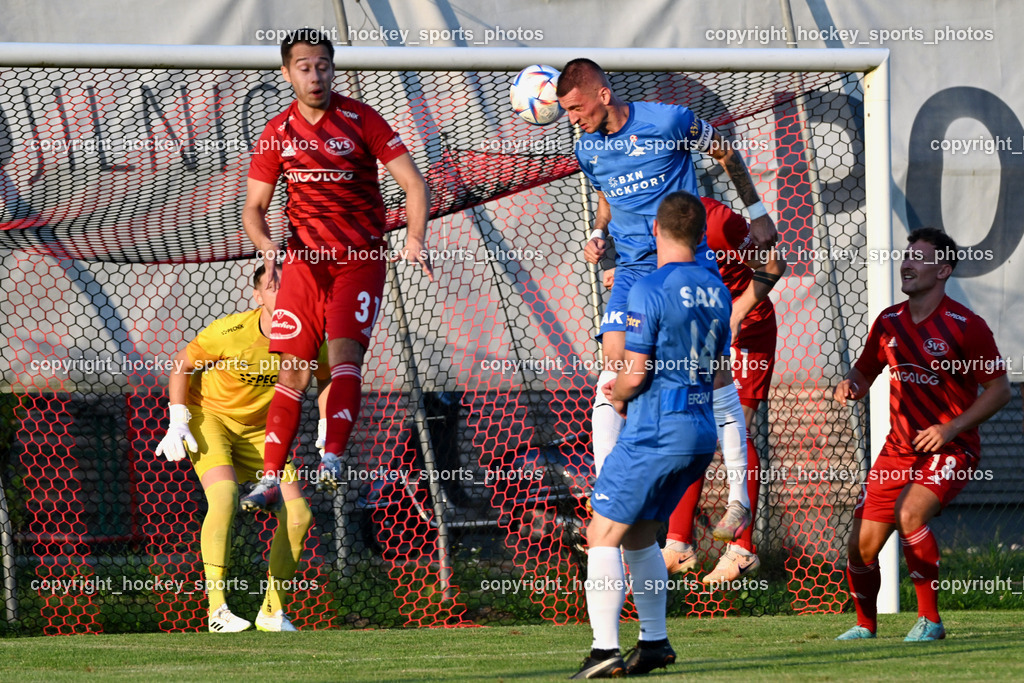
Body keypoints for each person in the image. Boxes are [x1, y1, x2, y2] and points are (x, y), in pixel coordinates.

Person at [556, 58, 776, 545]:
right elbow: (607, 194)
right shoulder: (587, 147)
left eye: (575, 107)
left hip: (684, 262)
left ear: (603, 95)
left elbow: (724, 152)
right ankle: (608, 489)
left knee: (714, 373)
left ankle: (738, 496)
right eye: (565, 110)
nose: (571, 117)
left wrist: (757, 211)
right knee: (612, 371)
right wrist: (598, 233)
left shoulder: (669, 120)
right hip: (634, 271)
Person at [241, 28, 432, 511]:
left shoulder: (361, 118)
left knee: (345, 355)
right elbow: (253, 208)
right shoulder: (276, 133)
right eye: (304, 67)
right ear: (286, 73)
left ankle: (332, 459)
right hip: (303, 262)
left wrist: (413, 238)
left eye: (323, 65)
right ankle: (269, 478)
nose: (315, 75)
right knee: (293, 371)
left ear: (333, 68)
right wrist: (267, 249)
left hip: (359, 259)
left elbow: (413, 183)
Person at [572, 191, 730, 679]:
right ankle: (655, 643)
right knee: (639, 536)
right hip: (701, 430)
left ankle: (603, 652)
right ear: (702, 235)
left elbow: (635, 374)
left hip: (656, 428)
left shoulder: (648, 286)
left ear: (655, 232)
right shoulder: (716, 287)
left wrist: (615, 394)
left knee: (600, 533)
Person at [833, 228, 1010, 642]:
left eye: (919, 258)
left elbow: (1000, 390)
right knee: (859, 546)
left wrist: (950, 428)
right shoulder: (889, 321)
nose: (906, 264)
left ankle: (930, 620)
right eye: (905, 256)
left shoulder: (965, 326)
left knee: (909, 513)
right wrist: (852, 384)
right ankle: (865, 627)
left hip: (952, 447)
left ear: (944, 270)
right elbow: (865, 369)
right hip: (897, 451)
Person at [155, 263, 330, 632]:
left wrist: (328, 424)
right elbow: (182, 365)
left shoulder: (311, 336)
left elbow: (328, 378)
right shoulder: (231, 332)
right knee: (225, 498)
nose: (281, 295)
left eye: (289, 288)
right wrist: (178, 419)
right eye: (272, 287)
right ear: (257, 295)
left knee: (299, 517)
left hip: (263, 433)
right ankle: (217, 610)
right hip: (211, 419)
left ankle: (271, 612)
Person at [664, 197, 786, 584]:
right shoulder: (647, 209)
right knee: (693, 427)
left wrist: (737, 312)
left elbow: (771, 265)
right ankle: (678, 543)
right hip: (697, 329)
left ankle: (743, 550)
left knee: (734, 426)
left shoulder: (716, 220)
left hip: (743, 325)